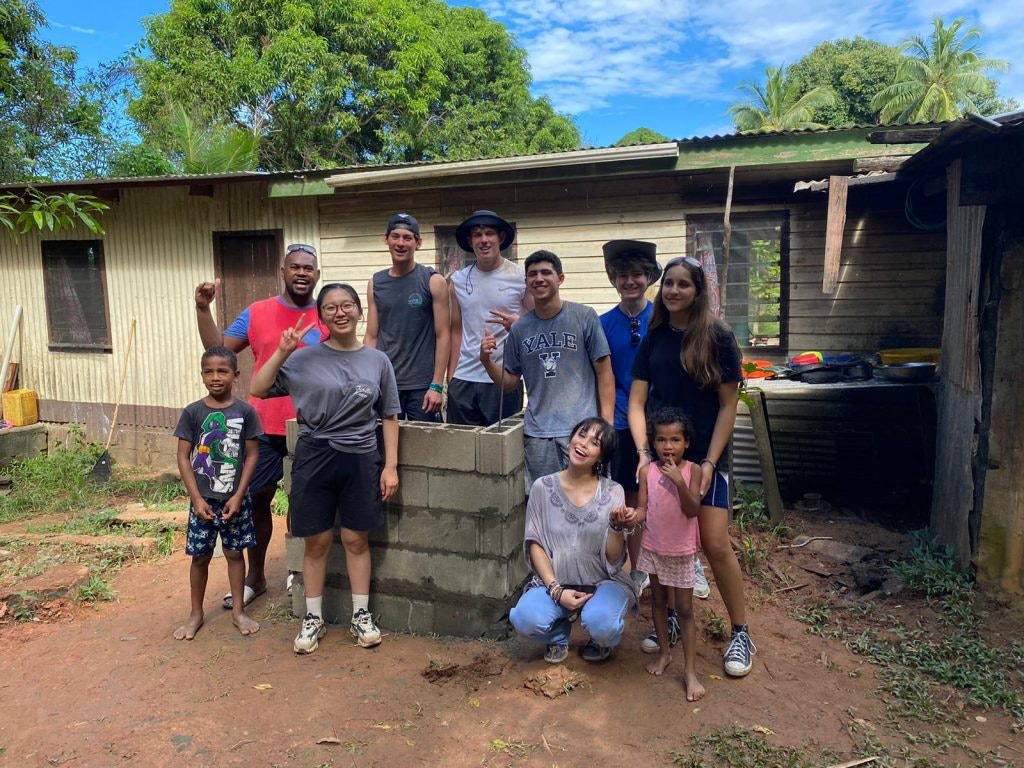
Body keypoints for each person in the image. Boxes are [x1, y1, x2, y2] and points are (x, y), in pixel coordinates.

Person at [250, 283, 400, 655]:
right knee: (316, 541)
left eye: (347, 305)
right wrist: (283, 351)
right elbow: (258, 386)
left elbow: (389, 415)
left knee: (355, 539)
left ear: (358, 312)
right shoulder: (302, 359)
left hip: (362, 457)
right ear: (321, 317)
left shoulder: (377, 361)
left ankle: (361, 614)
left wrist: (391, 467)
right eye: (331, 307)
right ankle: (313, 617)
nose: (340, 312)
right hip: (315, 455)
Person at [628, 256, 755, 677]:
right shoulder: (655, 336)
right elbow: (637, 401)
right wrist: (645, 453)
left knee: (714, 543)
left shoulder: (718, 337)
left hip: (705, 459)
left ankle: (740, 632)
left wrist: (708, 462)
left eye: (684, 284)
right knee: (663, 542)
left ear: (698, 291)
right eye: (669, 284)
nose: (674, 291)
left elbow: (728, 404)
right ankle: (673, 624)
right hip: (662, 458)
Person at [194, 243, 322, 608]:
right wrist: (204, 309)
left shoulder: (324, 315)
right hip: (262, 427)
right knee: (256, 498)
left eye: (308, 268)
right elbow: (220, 350)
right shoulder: (258, 312)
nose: (301, 273)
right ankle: (257, 576)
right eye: (294, 267)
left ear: (316, 275)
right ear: (282, 272)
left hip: (311, 425)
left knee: (304, 503)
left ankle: (299, 571)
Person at [509, 417, 639, 663]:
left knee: (603, 625)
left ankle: (599, 639)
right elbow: (535, 544)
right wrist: (556, 591)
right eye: (582, 434)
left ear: (602, 456)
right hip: (557, 582)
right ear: (571, 438)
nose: (584, 444)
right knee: (523, 619)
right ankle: (558, 634)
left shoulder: (614, 492)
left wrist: (615, 527)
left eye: (595, 442)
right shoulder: (542, 488)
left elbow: (613, 559)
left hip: (604, 583)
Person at [480, 250, 615, 485]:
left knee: (587, 500)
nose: (539, 278)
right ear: (526, 282)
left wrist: (605, 426)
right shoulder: (520, 329)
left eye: (546, 272)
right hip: (538, 436)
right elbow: (510, 383)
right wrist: (486, 361)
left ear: (560, 278)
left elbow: (604, 373)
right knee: (544, 503)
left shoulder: (584, 317)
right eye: (532, 274)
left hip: (582, 433)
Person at [173, 346, 263, 641]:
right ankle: (195, 614)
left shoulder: (246, 412)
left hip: (235, 500)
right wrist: (196, 499)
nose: (215, 377)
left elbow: (251, 455)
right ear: (202, 375)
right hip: (203, 502)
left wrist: (239, 494)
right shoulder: (193, 412)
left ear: (236, 375)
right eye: (209, 371)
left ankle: (238, 611)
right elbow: (183, 457)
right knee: (199, 557)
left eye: (222, 371)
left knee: (235, 553)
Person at [634, 406, 705, 701]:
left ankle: (690, 672)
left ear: (686, 442)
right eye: (661, 440)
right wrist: (628, 516)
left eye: (675, 440)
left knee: (686, 610)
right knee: (659, 602)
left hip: (680, 550)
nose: (668, 447)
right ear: (653, 442)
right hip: (653, 547)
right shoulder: (645, 471)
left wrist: (678, 480)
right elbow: (642, 509)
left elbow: (693, 510)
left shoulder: (693, 471)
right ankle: (665, 653)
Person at [447, 210, 533, 426]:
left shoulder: (521, 276)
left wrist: (518, 324)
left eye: (489, 234)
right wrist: (452, 377)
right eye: (477, 235)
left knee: (500, 454)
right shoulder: (458, 280)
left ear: (500, 238)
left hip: (503, 380)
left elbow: (536, 325)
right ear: (470, 241)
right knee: (462, 451)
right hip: (464, 379)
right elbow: (456, 329)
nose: (484, 240)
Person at [364, 213, 450, 422]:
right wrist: (368, 380)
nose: (400, 243)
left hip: (422, 386)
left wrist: (437, 384)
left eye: (407, 238)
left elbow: (443, 335)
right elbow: (371, 335)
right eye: (395, 236)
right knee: (386, 448)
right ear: (386, 240)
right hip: (386, 383)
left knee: (428, 449)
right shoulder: (376, 283)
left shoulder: (433, 281)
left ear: (418, 243)